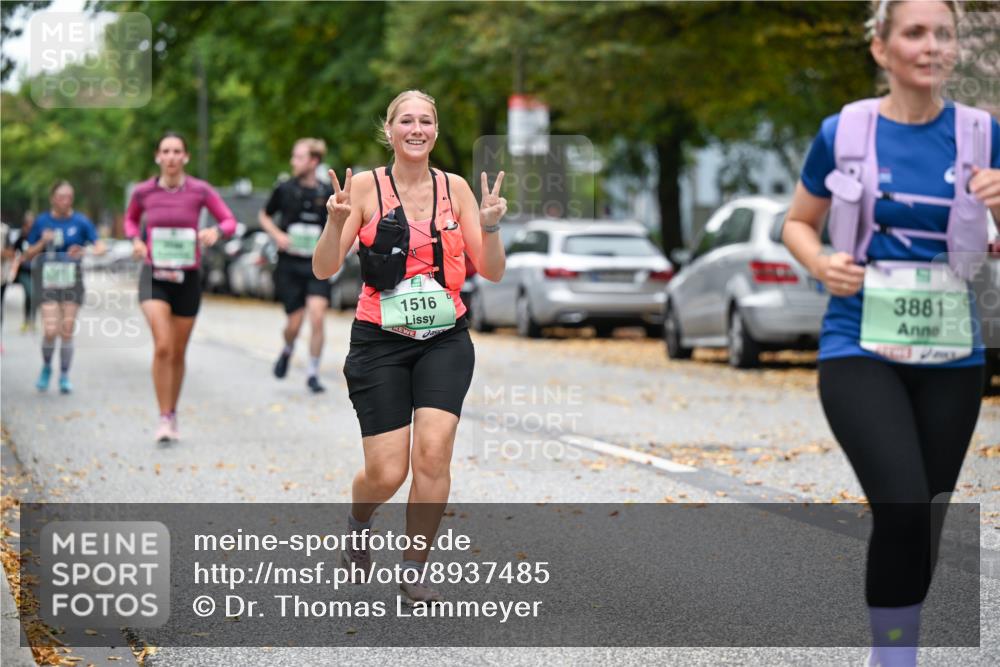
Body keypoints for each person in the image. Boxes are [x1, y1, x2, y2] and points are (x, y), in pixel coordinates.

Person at [782, 2, 1000, 665]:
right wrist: (822, 262)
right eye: (915, 33)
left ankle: (895, 649)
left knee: (925, 517)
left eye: (943, 34)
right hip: (859, 345)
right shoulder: (845, 131)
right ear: (881, 48)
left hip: (953, 353)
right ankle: (896, 659)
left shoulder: (982, 134)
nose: (932, 46)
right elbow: (797, 222)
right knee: (903, 505)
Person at [312, 90, 507, 605]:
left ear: (435, 132)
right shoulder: (364, 187)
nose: (416, 129)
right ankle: (359, 522)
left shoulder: (455, 188)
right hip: (379, 342)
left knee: (434, 453)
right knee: (387, 472)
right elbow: (324, 268)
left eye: (425, 121)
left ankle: (414, 567)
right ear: (390, 129)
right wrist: (336, 221)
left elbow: (491, 270)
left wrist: (490, 226)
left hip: (445, 338)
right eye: (406, 121)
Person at [124, 132, 237, 443]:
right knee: (163, 345)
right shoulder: (143, 192)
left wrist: (215, 232)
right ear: (157, 156)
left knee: (177, 351)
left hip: (187, 278)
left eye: (177, 151)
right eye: (166, 151)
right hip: (154, 275)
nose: (171, 156)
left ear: (185, 157)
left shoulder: (200, 190)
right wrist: (135, 240)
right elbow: (130, 221)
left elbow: (229, 221)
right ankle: (163, 416)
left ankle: (172, 412)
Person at [259, 138, 335, 393]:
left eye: (299, 157)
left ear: (313, 161)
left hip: (317, 266)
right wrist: (277, 235)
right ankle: (288, 348)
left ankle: (312, 373)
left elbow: (338, 223)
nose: (293, 162)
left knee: (317, 317)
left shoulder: (327, 192)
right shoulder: (284, 189)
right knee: (294, 323)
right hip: (289, 265)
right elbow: (264, 215)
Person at [24, 182, 106, 393]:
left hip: (72, 280)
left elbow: (100, 247)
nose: (65, 201)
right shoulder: (42, 221)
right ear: (52, 198)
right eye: (61, 196)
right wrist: (42, 242)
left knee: (66, 331)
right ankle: (46, 367)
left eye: (69, 196)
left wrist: (85, 251)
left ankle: (64, 375)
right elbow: (28, 254)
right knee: (51, 330)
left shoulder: (81, 221)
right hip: (48, 281)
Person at [9, 211, 37, 331]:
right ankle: (27, 320)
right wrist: (19, 258)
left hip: (36, 271)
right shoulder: (21, 237)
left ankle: (32, 320)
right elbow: (13, 251)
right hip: (24, 271)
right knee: (30, 293)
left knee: (33, 296)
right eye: (28, 223)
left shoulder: (38, 236)